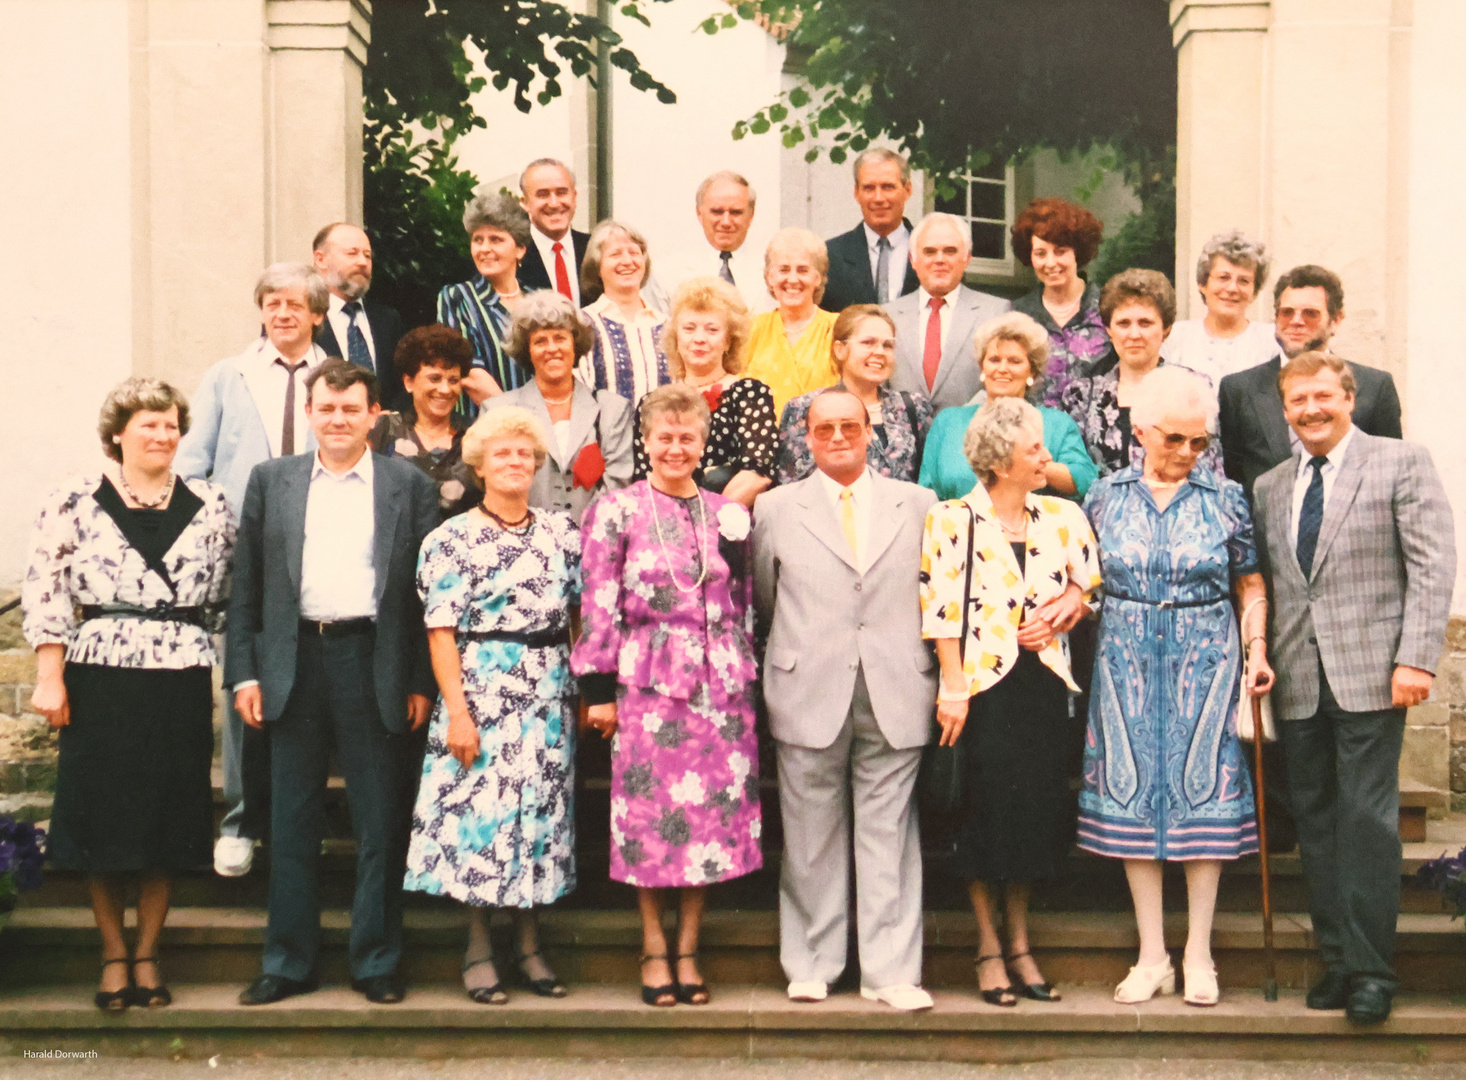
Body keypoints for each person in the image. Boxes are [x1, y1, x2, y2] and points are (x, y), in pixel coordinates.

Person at [1252, 352, 1454, 1025]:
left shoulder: (1401, 461)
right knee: (1314, 821)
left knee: (1365, 820)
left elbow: (1431, 565)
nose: (1309, 410)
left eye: (1321, 397)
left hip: (1375, 672)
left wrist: (1418, 659)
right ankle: (1337, 958)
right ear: (1284, 410)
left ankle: (1372, 970)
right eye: (1296, 401)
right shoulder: (1272, 485)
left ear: (1349, 396)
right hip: (1299, 678)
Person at [228, 360, 439, 1007]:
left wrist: (419, 680)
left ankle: (375, 960)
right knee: (290, 820)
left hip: (373, 660)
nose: (339, 419)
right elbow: (247, 589)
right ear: (312, 412)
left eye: (351, 408)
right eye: (327, 408)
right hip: (295, 664)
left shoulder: (408, 484)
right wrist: (244, 673)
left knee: (380, 821)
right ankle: (287, 962)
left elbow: (428, 596)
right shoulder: (273, 481)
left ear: (373, 413)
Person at [24, 378, 233, 1012]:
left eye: (170, 425)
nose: (162, 435)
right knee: (103, 814)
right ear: (118, 432)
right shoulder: (75, 499)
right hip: (101, 674)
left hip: (180, 673)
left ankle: (149, 952)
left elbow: (225, 596)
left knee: (167, 814)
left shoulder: (211, 500)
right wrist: (49, 674)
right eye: (148, 424)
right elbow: (47, 589)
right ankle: (113, 952)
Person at [1075, 367, 1272, 1008]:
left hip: (1206, 658)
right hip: (1125, 656)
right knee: (1132, 795)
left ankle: (1199, 954)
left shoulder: (1226, 498)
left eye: (1199, 442)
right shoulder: (1105, 496)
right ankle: (1152, 954)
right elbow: (1083, 577)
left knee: (1202, 790)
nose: (1188, 452)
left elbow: (1249, 582)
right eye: (1175, 440)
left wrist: (1257, 649)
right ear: (1140, 432)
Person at [573, 384, 763, 1008]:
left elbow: (743, 601)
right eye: (665, 437)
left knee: (710, 819)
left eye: (688, 437)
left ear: (703, 443)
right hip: (651, 681)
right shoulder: (617, 509)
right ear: (647, 443)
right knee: (651, 817)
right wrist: (597, 689)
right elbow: (597, 601)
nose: (676, 447)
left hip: (722, 687)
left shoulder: (725, 510)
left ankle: (689, 948)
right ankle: (654, 946)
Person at [755, 388, 938, 1012]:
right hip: (808, 682)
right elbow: (763, 596)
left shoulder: (917, 503)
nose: (837, 437)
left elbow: (932, 592)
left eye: (849, 426)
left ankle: (890, 974)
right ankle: (812, 961)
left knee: (889, 833)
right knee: (809, 836)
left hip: (895, 684)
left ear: (869, 433)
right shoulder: (777, 508)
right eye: (824, 428)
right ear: (806, 436)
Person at [921, 398, 1100, 1008]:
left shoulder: (1063, 515)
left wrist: (1071, 604)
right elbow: (940, 608)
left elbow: (1089, 582)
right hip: (978, 690)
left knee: (1031, 816)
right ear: (999, 461)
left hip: (1042, 685)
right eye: (1034, 450)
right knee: (982, 813)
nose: (1046, 459)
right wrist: (951, 688)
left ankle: (1021, 942)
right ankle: (988, 947)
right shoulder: (950, 520)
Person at [405, 406, 581, 1005]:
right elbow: (440, 631)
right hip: (480, 692)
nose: (515, 463)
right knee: (482, 818)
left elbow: (578, 615)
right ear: (479, 466)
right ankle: (479, 947)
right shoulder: (451, 538)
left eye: (525, 454)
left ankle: (530, 946)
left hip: (548, 692)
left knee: (538, 818)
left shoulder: (562, 533)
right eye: (502, 453)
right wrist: (457, 711)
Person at [176, 261, 332, 879]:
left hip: (324, 549)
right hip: (250, 552)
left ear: (318, 313)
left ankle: (303, 820)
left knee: (318, 687)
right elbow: (193, 465)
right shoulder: (228, 375)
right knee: (246, 682)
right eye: (272, 302)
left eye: (296, 304)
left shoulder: (339, 378)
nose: (283, 313)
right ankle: (240, 820)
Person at [1217, 264, 1402, 498]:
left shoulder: (1375, 387)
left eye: (1310, 313)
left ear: (1336, 320)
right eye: (1287, 312)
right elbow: (1233, 481)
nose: (1296, 321)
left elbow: (1391, 476)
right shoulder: (1239, 389)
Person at [481, 291, 635, 522]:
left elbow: (617, 486)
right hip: (523, 542)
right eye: (540, 341)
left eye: (560, 338)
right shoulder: (497, 411)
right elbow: (496, 488)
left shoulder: (612, 409)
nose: (552, 348)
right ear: (527, 350)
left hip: (594, 543)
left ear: (575, 344)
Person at [919, 312, 1097, 502]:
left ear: (1032, 371)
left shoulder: (1057, 424)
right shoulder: (948, 422)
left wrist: (1028, 461)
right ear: (982, 367)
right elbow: (925, 493)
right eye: (994, 359)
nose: (1002, 368)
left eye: (1014, 361)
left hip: (1031, 529)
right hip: (958, 528)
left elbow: (1085, 482)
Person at [632, 278, 777, 509]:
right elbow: (643, 479)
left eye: (712, 329)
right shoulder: (652, 404)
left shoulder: (749, 393)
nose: (699, 338)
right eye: (689, 328)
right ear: (676, 338)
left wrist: (703, 523)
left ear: (729, 340)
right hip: (662, 531)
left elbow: (757, 474)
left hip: (727, 527)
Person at [1061, 269, 1220, 478]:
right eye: (1123, 323)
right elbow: (1076, 475)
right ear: (1109, 329)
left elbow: (1211, 470)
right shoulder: (1081, 395)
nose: (1134, 334)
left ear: (1166, 329)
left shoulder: (1195, 386)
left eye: (1145, 323)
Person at [775, 306, 932, 486]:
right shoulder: (804, 408)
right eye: (868, 343)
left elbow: (925, 483)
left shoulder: (913, 408)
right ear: (840, 350)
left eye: (887, 345)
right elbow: (792, 485)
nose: (879, 352)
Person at [885, 213, 1011, 411]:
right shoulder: (886, 316)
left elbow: (1005, 380)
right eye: (929, 251)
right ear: (913, 259)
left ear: (966, 258)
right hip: (902, 436)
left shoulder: (997, 313)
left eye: (950, 251)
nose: (940, 259)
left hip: (970, 433)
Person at [370, 324, 479, 521]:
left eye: (453, 380)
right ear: (408, 382)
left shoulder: (476, 434)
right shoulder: (383, 429)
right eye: (434, 379)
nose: (445, 389)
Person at [437, 191, 534, 412]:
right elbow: (470, 375)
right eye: (477, 240)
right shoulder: (458, 298)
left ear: (520, 249)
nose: (484, 249)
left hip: (542, 431)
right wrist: (518, 421)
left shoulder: (538, 302)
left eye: (496, 239)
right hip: (482, 430)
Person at [1009, 198, 1109, 408]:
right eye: (1041, 253)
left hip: (1096, 434)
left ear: (1077, 253)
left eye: (1060, 251)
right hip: (1035, 433)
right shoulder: (1017, 316)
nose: (1051, 263)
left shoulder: (1107, 308)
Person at [1159, 229, 1279, 389]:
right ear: (1202, 284)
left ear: (1254, 291)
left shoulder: (1272, 342)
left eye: (1243, 281)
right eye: (1224, 277)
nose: (1232, 288)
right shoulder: (1173, 338)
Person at [743, 227, 839, 416]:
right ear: (770, 277)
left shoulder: (837, 328)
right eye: (783, 270)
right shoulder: (751, 329)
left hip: (823, 439)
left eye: (803, 270)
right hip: (760, 441)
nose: (792, 279)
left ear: (817, 278)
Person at [311, 222, 405, 411]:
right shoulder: (305, 319)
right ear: (321, 259)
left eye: (367, 255)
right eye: (352, 253)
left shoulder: (387, 320)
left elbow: (403, 385)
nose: (363, 262)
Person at [577, 219, 669, 403]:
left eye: (634, 252)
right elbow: (580, 397)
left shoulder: (668, 325)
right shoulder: (582, 324)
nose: (627, 261)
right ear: (597, 266)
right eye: (615, 254)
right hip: (605, 431)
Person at [819, 147, 919, 312]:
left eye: (888, 187)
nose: (878, 198)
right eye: (869, 188)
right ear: (856, 192)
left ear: (907, 190)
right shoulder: (830, 256)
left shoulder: (930, 252)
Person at [674, 170, 769, 314]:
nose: (726, 222)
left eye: (736, 212)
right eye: (717, 212)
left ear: (751, 216)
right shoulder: (669, 274)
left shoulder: (773, 271)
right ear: (699, 213)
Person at [518, 158, 589, 305]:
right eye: (543, 194)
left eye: (561, 192)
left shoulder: (595, 250)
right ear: (525, 203)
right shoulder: (513, 256)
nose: (554, 203)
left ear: (574, 197)